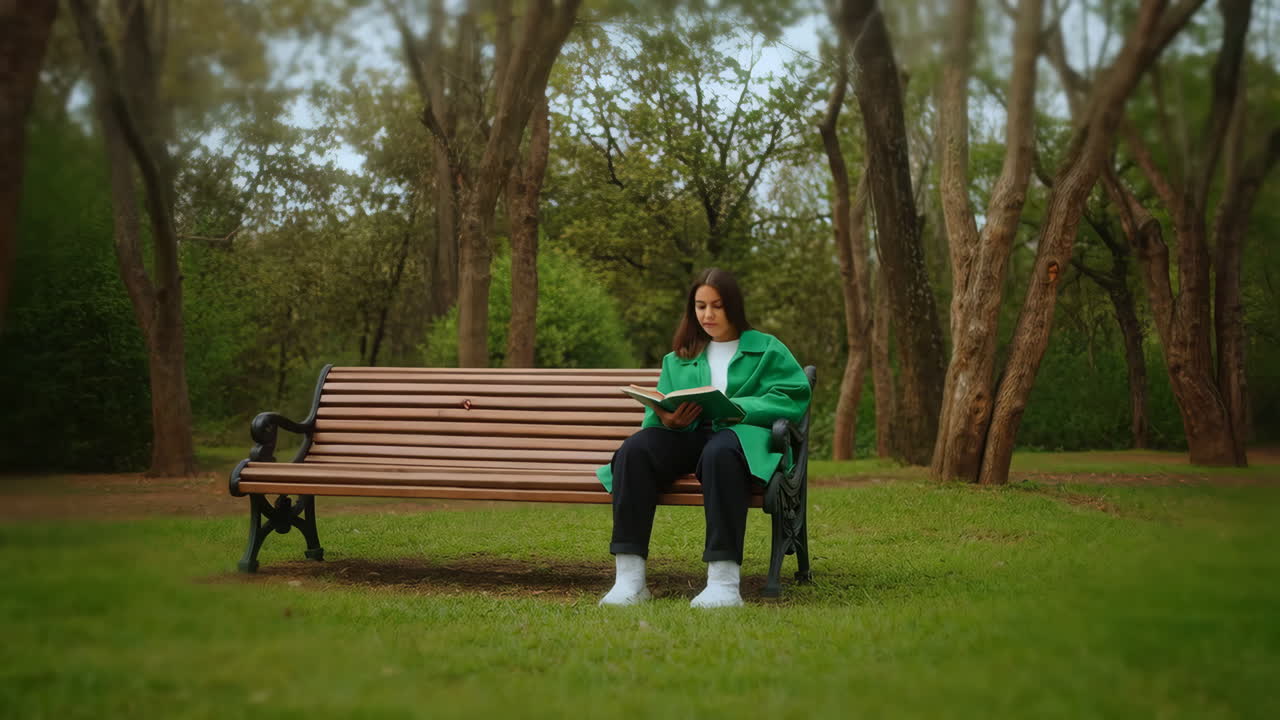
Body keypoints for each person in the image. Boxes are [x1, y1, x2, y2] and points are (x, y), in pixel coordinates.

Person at [596, 267, 811, 608]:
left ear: (734, 307)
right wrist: (669, 418)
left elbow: (794, 396)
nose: (707, 315)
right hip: (688, 434)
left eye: (717, 306)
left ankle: (724, 584)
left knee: (720, 453)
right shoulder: (679, 357)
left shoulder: (769, 349)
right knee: (634, 452)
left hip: (739, 439)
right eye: (700, 306)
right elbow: (658, 412)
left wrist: (738, 408)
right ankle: (630, 581)